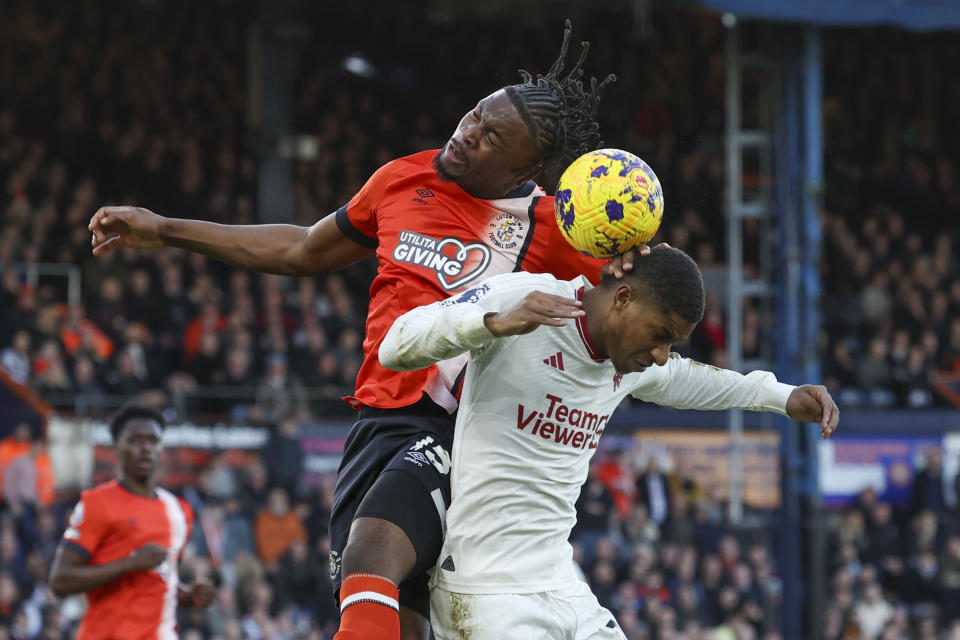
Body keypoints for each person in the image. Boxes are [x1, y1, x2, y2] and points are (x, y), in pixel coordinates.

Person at [87, 20, 626, 640]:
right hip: (377, 420)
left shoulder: (552, 227)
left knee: (372, 556)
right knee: (394, 613)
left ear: (527, 165)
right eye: (476, 114)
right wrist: (166, 229)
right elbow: (301, 250)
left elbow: (643, 303)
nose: (468, 132)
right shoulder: (403, 178)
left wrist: (643, 270)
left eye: (491, 135)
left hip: (462, 427)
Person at [378, 245, 839, 639]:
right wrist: (491, 322)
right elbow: (394, 346)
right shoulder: (527, 299)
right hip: (486, 591)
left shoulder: (626, 364)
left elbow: (700, 381)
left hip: (562, 584)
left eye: (671, 344)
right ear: (622, 297)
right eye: (660, 336)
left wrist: (783, 397)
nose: (661, 354)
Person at [48, 406, 214, 639]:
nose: (146, 448)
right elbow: (60, 580)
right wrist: (129, 564)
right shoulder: (98, 503)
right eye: (135, 440)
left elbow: (159, 580)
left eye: (153, 441)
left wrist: (187, 595)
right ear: (117, 447)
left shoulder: (179, 511)